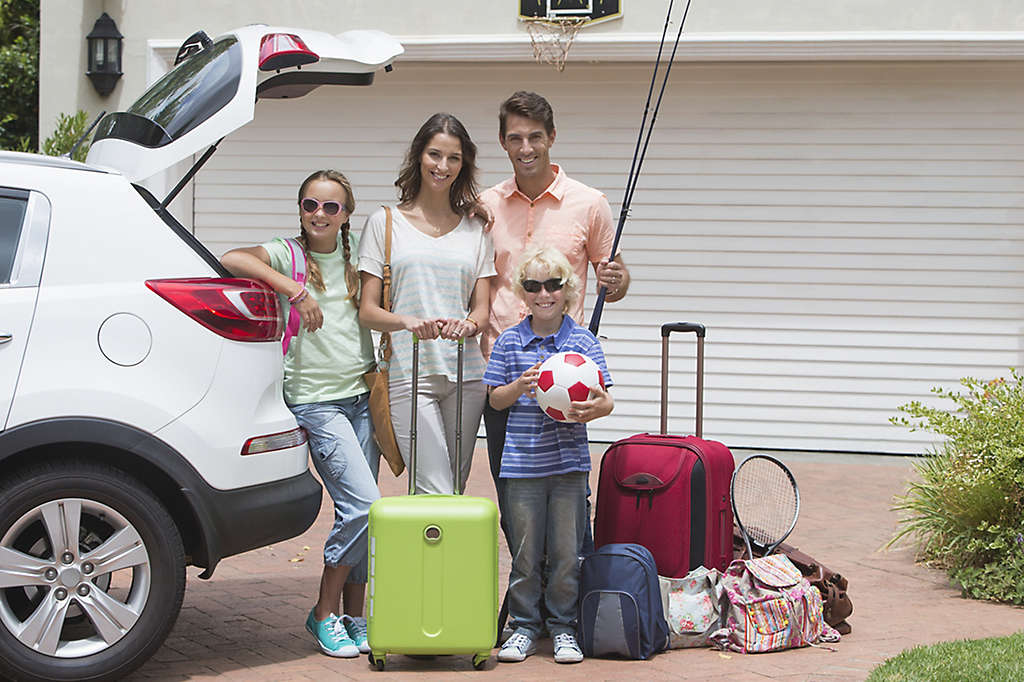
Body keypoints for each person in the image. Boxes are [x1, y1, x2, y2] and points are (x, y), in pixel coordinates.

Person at [220, 170, 380, 659]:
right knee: (364, 506)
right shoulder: (289, 253)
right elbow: (232, 259)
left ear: (347, 214)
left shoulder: (359, 262)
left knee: (366, 516)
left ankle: (356, 615)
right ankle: (324, 613)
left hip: (362, 396)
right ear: (301, 209)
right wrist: (294, 288)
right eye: (311, 205)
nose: (320, 215)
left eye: (332, 207)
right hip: (316, 400)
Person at [478, 90, 631, 550]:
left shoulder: (589, 203)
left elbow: (615, 283)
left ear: (552, 137)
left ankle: (567, 603)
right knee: (514, 503)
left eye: (535, 137)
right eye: (515, 138)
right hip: (506, 374)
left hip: (566, 376)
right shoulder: (484, 205)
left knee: (567, 501)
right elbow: (479, 281)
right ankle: (530, 599)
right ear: (503, 143)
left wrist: (619, 278)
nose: (526, 148)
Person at [484, 246, 614, 664]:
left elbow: (605, 400)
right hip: (522, 467)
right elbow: (495, 401)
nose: (544, 294)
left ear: (568, 291)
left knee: (565, 554)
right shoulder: (509, 342)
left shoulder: (582, 342)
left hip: (569, 466)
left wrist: (593, 408)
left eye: (554, 285)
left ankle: (563, 628)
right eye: (534, 286)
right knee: (524, 555)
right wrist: (518, 387)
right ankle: (523, 627)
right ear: (523, 293)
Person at [358, 112, 494, 495]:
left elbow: (481, 310)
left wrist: (469, 325)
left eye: (454, 158)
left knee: (453, 488)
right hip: (410, 372)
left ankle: (440, 558)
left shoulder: (477, 230)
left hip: (467, 376)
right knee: (433, 487)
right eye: (435, 154)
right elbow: (367, 311)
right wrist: (407, 322)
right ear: (419, 156)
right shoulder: (385, 223)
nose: (443, 166)